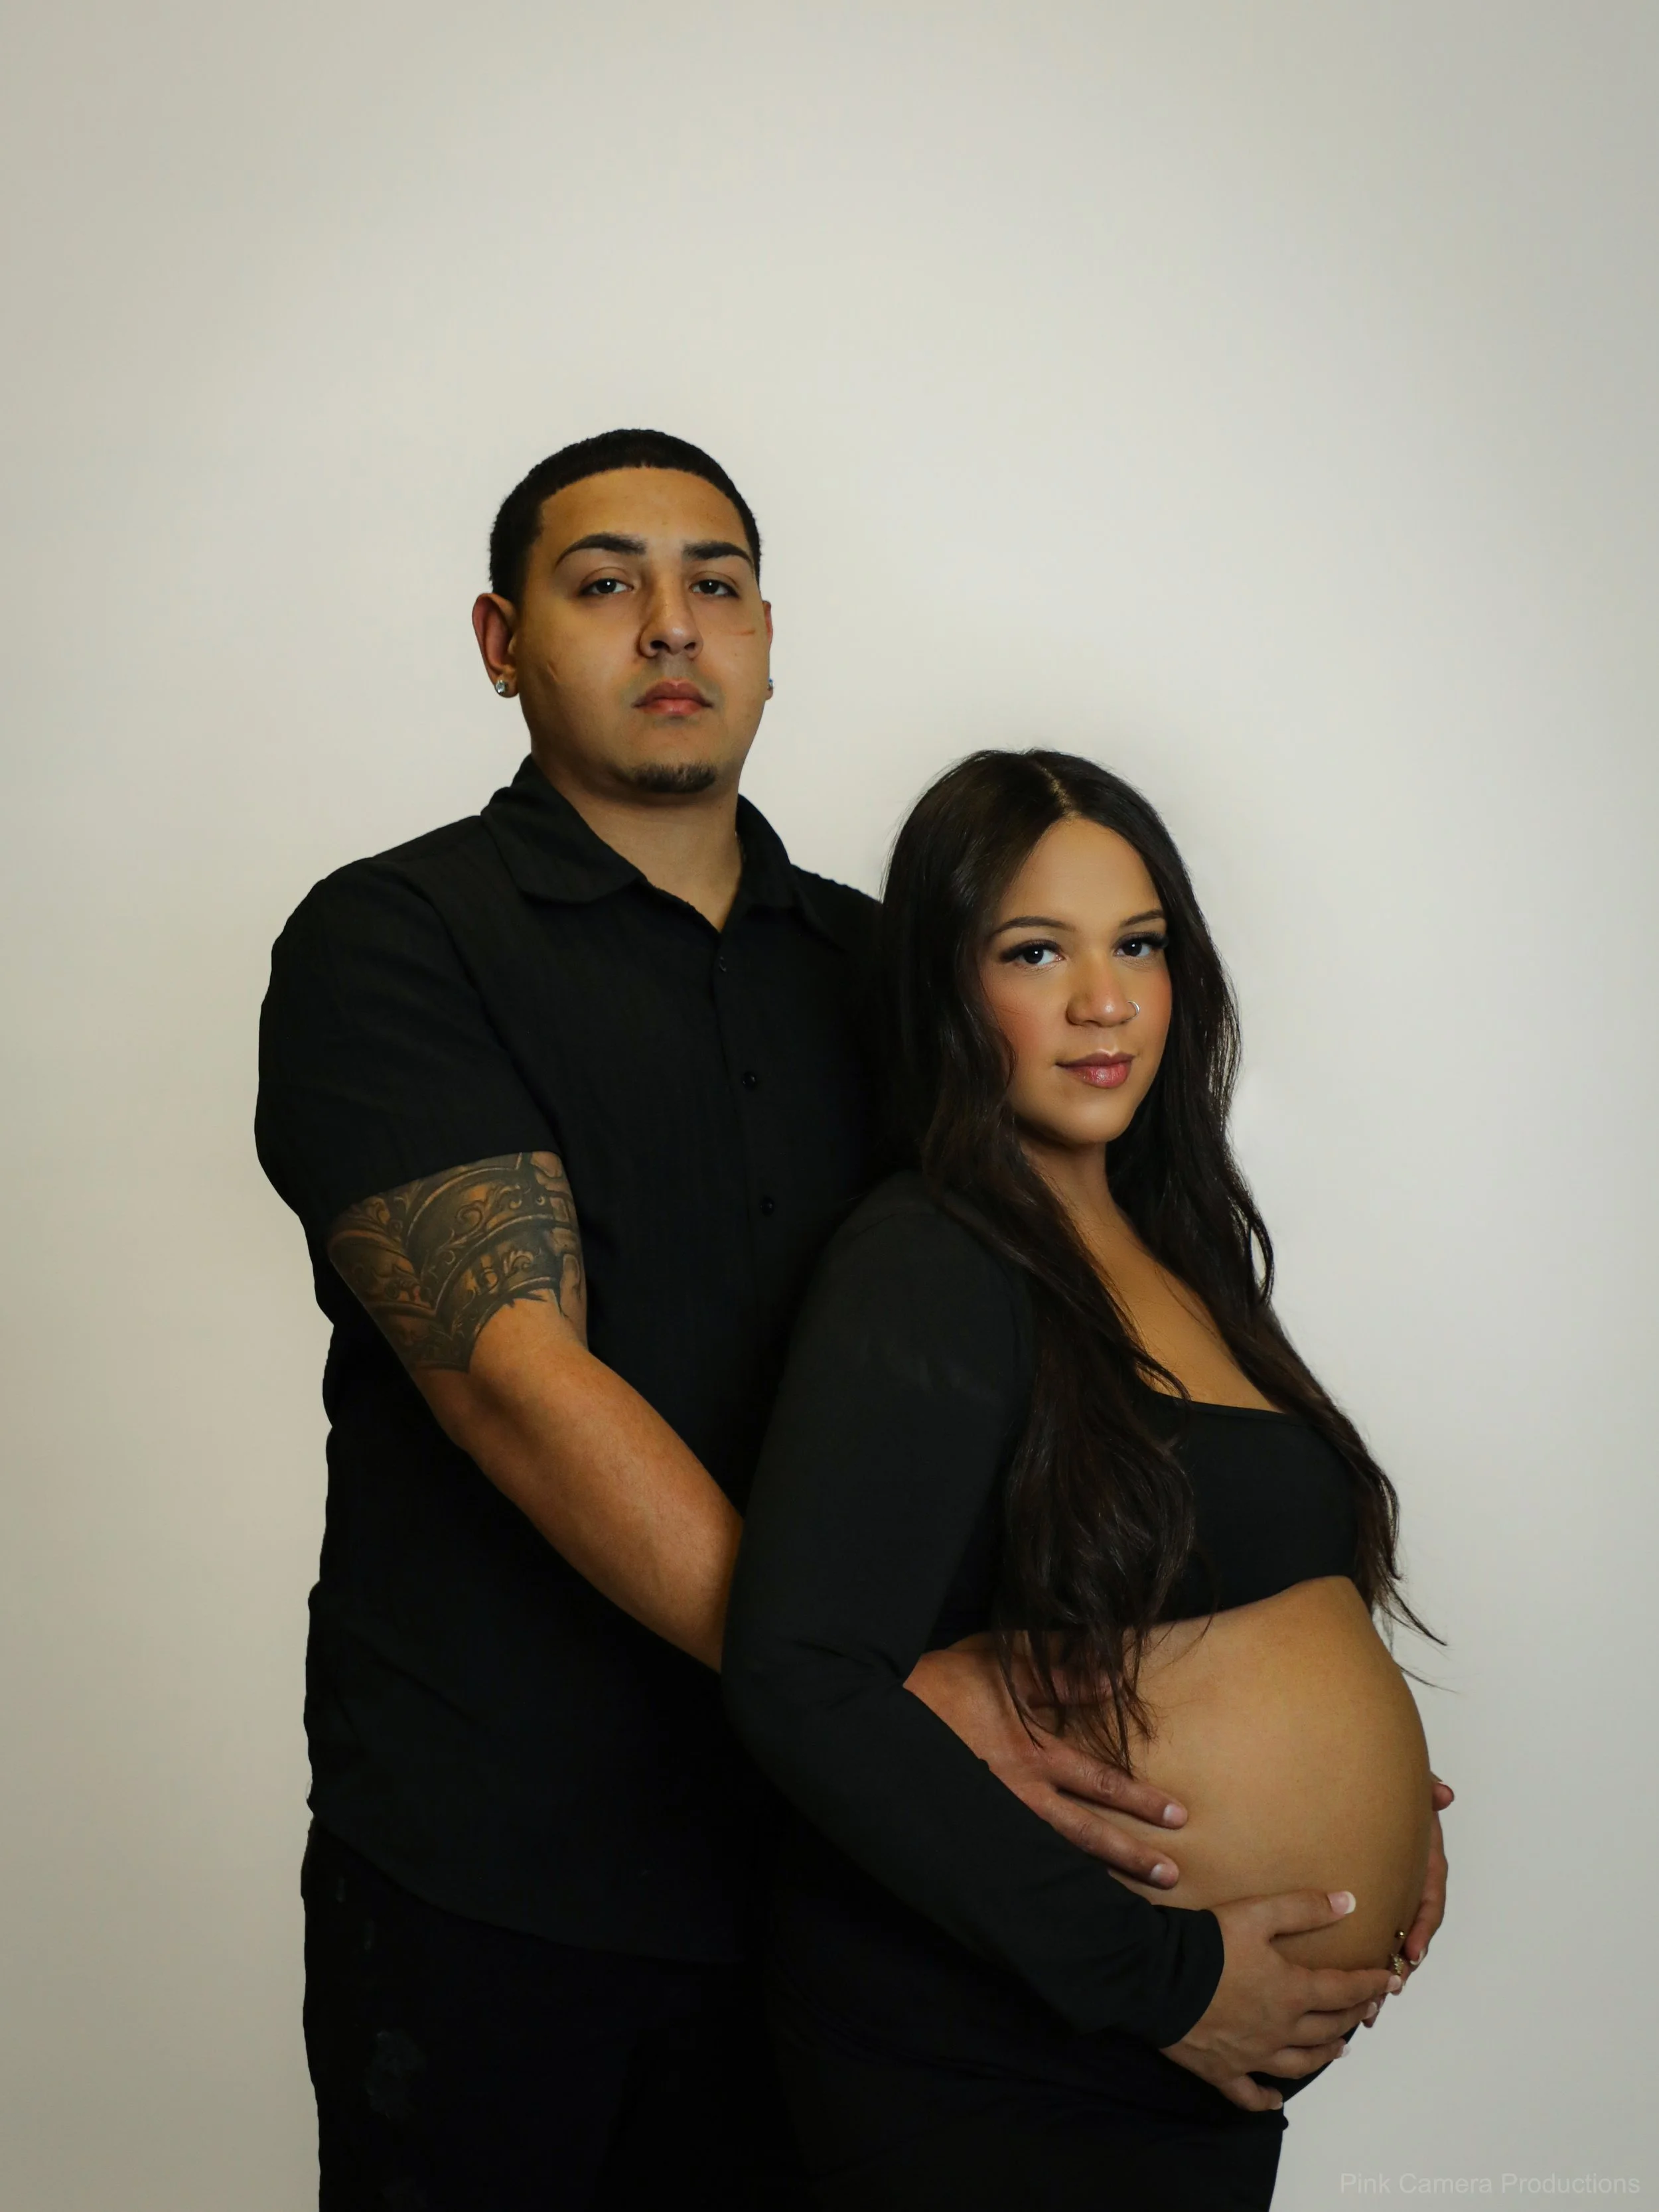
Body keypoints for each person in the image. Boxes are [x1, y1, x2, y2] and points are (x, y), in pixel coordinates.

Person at [253, 435, 1224, 2210]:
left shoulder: (890, 974)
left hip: (856, 1886)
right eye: (603, 581)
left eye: (715, 582)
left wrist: (1251, 1712)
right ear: (499, 638)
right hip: (509, 1876)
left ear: (770, 632)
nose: (670, 625)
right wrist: (884, 1705)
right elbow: (516, 1382)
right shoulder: (394, 941)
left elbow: (1072, 1345)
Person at [723, 748, 1453, 2211]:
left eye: (1136, 945)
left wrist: (1384, 1802)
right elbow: (801, 1674)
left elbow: (1228, 1608)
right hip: (1008, 2066)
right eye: (1033, 951)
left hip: (1164, 2084)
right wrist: (1161, 1975)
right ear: (945, 986)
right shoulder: (929, 1259)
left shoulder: (1178, 1253)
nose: (1102, 1000)